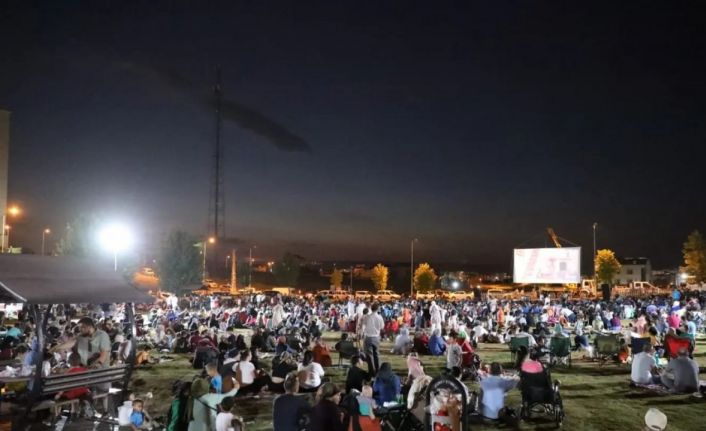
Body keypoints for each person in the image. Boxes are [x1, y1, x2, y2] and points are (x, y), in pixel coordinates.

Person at [360, 304, 384, 375]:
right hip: (376, 337)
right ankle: (377, 369)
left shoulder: (367, 317)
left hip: (368, 337)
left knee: (369, 355)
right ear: (377, 309)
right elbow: (382, 327)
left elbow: (363, 324)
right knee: (376, 354)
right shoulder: (379, 317)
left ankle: (372, 371)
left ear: (371, 308)